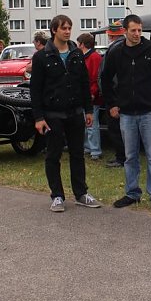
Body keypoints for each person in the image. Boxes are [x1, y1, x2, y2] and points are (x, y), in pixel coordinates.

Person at [101, 14, 151, 212]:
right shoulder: (117, 53)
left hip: (149, 113)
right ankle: (132, 193)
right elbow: (106, 79)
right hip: (126, 114)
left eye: (139, 30)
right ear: (125, 31)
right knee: (130, 157)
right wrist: (111, 104)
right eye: (133, 30)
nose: (136, 34)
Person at [29, 16, 102, 212]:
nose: (68, 31)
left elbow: (84, 84)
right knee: (53, 155)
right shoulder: (42, 56)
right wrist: (38, 117)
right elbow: (35, 89)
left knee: (77, 154)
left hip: (75, 112)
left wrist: (88, 110)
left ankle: (81, 193)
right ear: (54, 30)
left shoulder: (76, 53)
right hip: (52, 114)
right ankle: (57, 196)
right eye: (63, 28)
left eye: (69, 28)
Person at [102, 20, 127, 168]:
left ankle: (121, 158)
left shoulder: (114, 49)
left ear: (111, 36)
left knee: (116, 128)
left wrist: (112, 98)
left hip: (115, 95)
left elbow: (111, 76)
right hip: (120, 94)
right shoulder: (123, 47)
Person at [77, 32, 103, 160]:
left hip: (92, 96)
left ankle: (95, 150)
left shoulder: (94, 58)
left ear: (82, 44)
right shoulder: (87, 57)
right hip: (86, 95)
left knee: (92, 124)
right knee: (87, 124)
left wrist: (92, 93)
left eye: (78, 43)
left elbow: (95, 78)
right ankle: (88, 147)